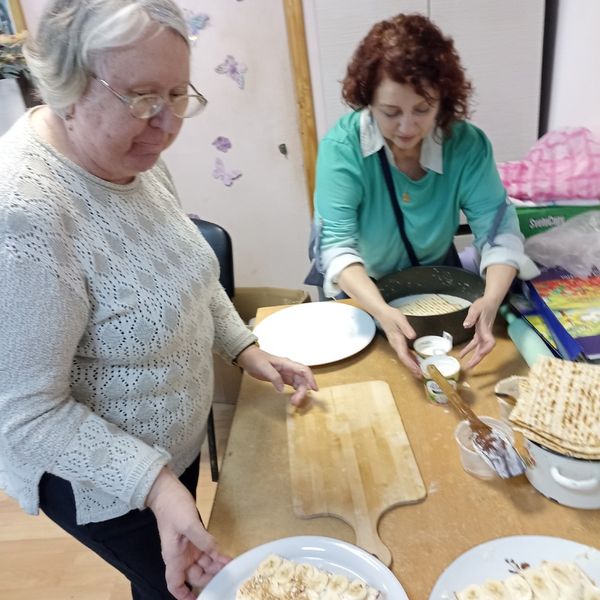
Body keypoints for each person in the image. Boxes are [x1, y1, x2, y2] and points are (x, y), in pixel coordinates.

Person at [0, 1, 318, 599]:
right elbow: (24, 414)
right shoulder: (24, 213)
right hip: (98, 479)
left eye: (178, 95)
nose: (167, 124)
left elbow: (186, 272)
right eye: (144, 97)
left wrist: (245, 348)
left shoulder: (137, 154)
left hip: (169, 451)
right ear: (66, 84)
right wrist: (156, 485)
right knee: (176, 587)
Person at [307, 13, 539, 378]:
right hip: (364, 284)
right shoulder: (344, 147)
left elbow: (499, 231)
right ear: (367, 99)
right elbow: (336, 247)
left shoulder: (467, 145)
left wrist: (491, 300)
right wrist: (382, 312)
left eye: (422, 109)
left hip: (434, 279)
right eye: (390, 112)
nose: (406, 127)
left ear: (443, 100)